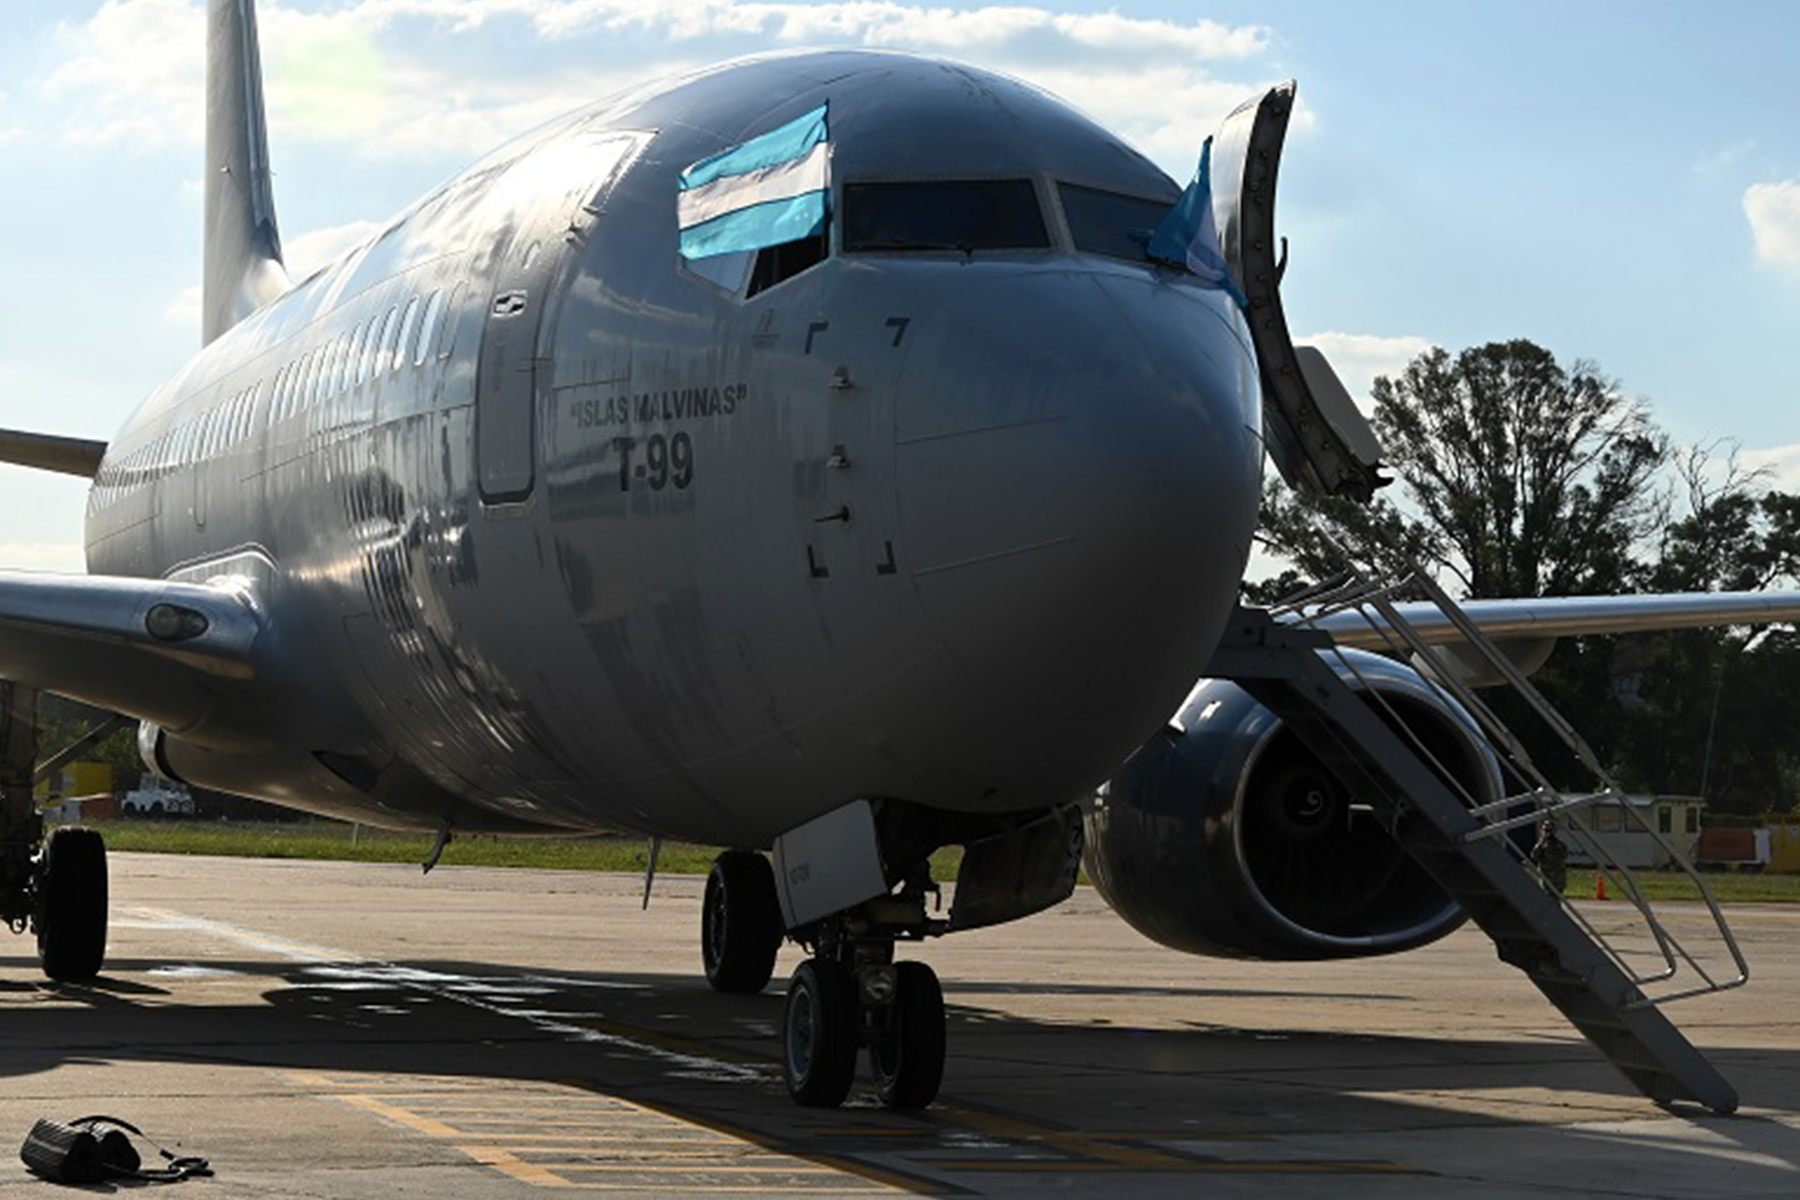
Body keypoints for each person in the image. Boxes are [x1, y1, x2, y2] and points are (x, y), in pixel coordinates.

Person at [1532, 814, 1568, 897]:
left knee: (1556, 900)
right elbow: (1534, 856)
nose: (1548, 833)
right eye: (1546, 830)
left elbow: (1564, 855)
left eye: (1549, 830)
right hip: (1546, 878)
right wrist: (1541, 843)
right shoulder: (1541, 845)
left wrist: (1553, 846)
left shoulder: (1559, 845)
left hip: (1557, 879)